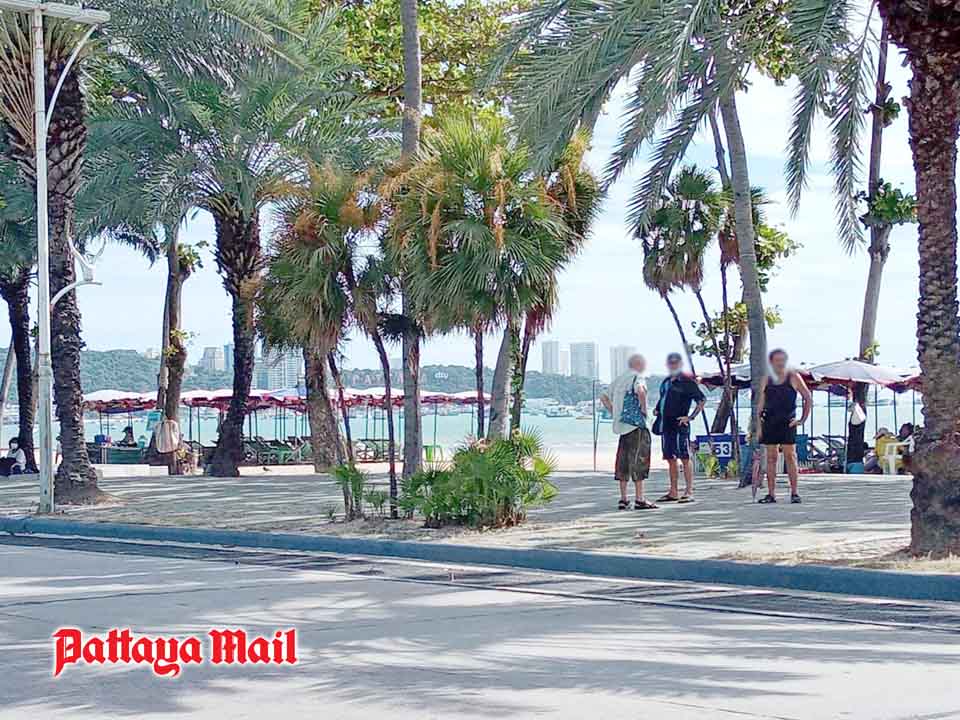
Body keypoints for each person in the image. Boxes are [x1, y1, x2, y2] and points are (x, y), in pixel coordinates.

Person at [601, 354, 656, 510]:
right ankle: (640, 498)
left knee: (623, 461)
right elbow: (641, 391)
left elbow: (604, 397)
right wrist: (644, 410)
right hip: (636, 426)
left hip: (622, 427)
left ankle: (624, 498)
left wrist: (614, 413)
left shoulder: (619, 379)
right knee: (640, 460)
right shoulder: (638, 377)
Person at [757, 348, 812, 504]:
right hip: (769, 421)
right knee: (771, 458)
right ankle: (771, 494)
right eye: (777, 360)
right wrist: (758, 426)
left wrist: (802, 419)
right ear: (771, 362)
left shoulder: (793, 376)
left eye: (783, 360)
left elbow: (807, 397)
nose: (780, 363)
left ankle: (794, 493)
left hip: (788, 422)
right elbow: (760, 403)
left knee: (790, 456)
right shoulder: (766, 378)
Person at [652, 352, 705, 503]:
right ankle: (673, 491)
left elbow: (701, 400)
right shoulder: (666, 382)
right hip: (665, 425)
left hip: (680, 425)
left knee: (684, 457)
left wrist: (690, 417)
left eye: (675, 363)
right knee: (670, 458)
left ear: (680, 364)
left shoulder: (686, 381)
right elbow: (663, 399)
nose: (673, 365)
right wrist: (657, 409)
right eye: (670, 363)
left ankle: (689, 491)